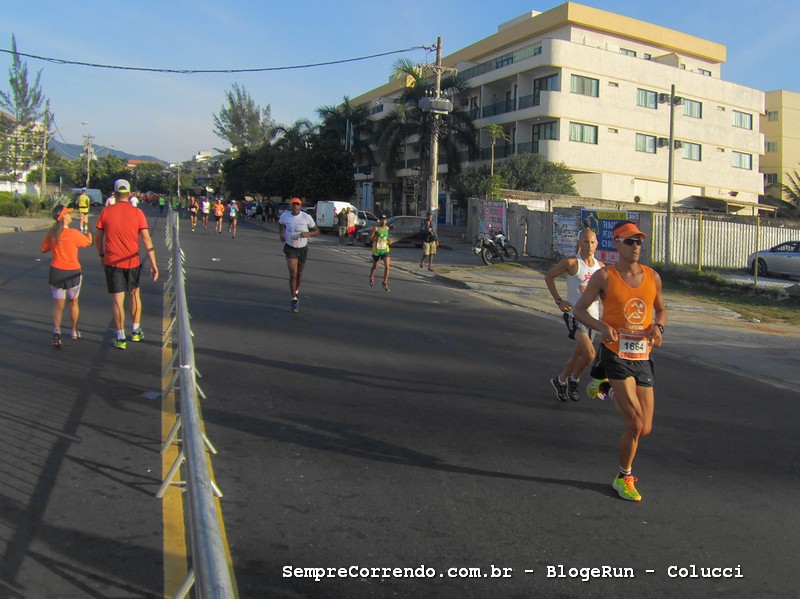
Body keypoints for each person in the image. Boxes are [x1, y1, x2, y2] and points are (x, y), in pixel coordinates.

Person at [572, 221, 666, 502]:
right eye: (630, 241)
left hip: (642, 356)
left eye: (639, 241)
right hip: (615, 353)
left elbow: (661, 310)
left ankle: (605, 385)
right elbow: (579, 310)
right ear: (616, 244)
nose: (636, 246)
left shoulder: (652, 276)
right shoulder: (605, 276)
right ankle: (623, 476)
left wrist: (658, 328)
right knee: (634, 424)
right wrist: (601, 326)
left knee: (645, 427)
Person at [94, 179, 159, 350]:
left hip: (113, 261)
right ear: (130, 194)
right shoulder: (137, 213)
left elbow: (98, 237)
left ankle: (120, 337)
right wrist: (153, 264)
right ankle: (136, 331)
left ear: (114, 195)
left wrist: (101, 254)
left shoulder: (106, 212)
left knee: (118, 299)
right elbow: (146, 239)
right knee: (135, 294)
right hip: (132, 261)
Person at [545, 228, 604, 402]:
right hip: (574, 315)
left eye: (592, 242)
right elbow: (549, 276)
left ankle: (561, 380)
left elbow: (604, 292)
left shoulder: (600, 267)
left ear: (597, 244)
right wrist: (559, 301)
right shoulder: (571, 263)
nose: (589, 245)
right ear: (579, 243)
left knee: (580, 354)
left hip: (592, 317)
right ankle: (574, 379)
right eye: (586, 241)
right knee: (590, 354)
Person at [40, 205, 93, 346]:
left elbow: (44, 249)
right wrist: (87, 224)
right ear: (63, 217)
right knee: (73, 302)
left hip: (56, 272)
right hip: (72, 273)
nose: (70, 215)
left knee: (58, 305)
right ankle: (74, 330)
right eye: (68, 214)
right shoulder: (74, 234)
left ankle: (57, 332)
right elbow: (89, 241)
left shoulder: (52, 233)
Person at [278, 197, 319, 312]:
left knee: (300, 273)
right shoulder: (285, 216)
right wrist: (281, 233)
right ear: (291, 205)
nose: (295, 206)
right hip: (290, 247)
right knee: (293, 274)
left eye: (297, 204)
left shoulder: (306, 217)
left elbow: (317, 230)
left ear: (300, 206)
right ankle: (294, 298)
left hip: (302, 248)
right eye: (293, 204)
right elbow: (280, 224)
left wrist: (309, 234)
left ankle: (296, 290)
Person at [368, 215, 392, 291]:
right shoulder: (376, 228)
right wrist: (375, 238)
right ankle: (371, 276)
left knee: (387, 266)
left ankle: (385, 282)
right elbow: (370, 238)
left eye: (385, 220)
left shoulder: (387, 228)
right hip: (377, 250)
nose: (383, 221)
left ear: (386, 221)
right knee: (375, 266)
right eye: (382, 220)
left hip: (385, 249)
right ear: (380, 220)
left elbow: (386, 236)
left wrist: (389, 240)